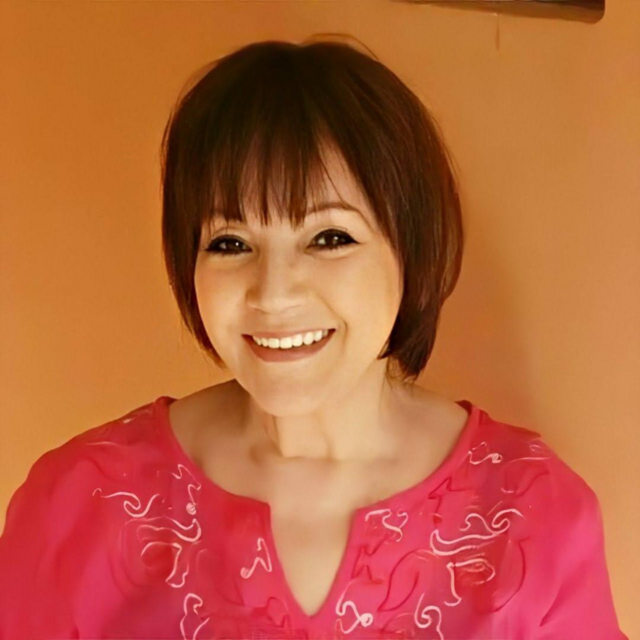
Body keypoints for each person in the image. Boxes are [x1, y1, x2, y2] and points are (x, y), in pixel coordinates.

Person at [0, 35, 627, 640]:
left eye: (329, 238)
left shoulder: (530, 513)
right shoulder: (81, 504)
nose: (273, 294)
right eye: (230, 243)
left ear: (412, 248)